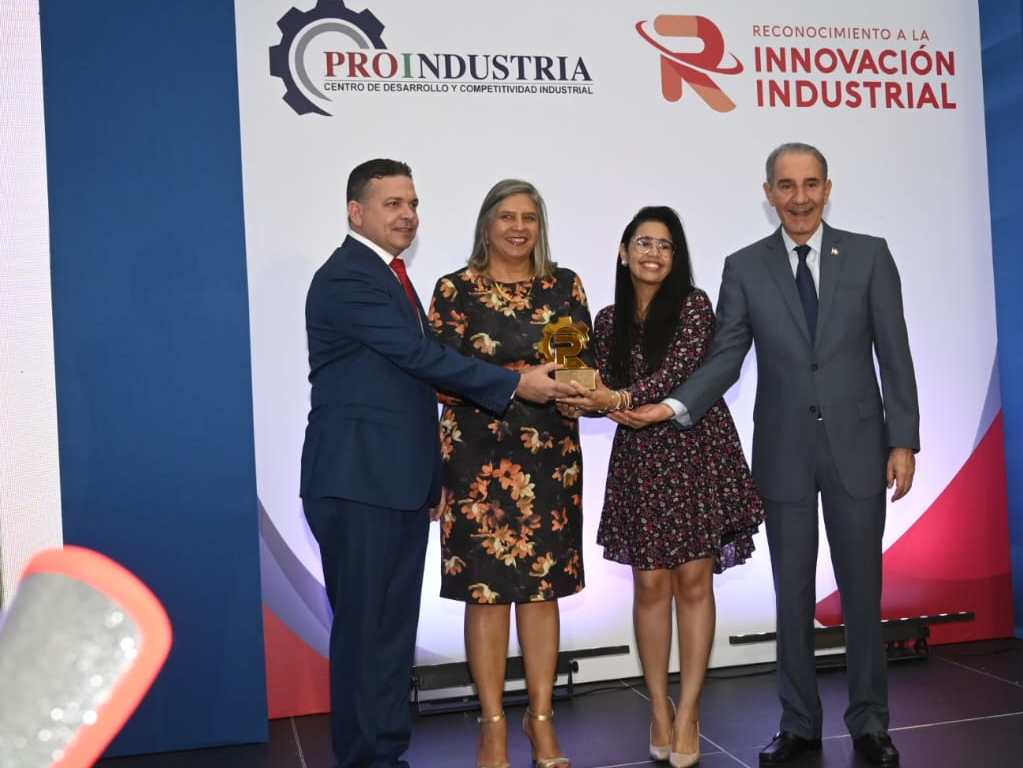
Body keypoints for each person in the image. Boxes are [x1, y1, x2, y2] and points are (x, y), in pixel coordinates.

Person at [620, 144, 920, 767]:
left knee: (863, 590)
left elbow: (895, 351)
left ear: (828, 188)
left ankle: (870, 723)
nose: (799, 198)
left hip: (860, 449)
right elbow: (726, 356)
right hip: (783, 451)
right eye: (786, 186)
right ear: (769, 193)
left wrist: (903, 440)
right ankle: (799, 724)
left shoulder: (870, 254)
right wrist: (673, 406)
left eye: (810, 184)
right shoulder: (745, 266)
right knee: (792, 592)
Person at [300, 159, 572, 768]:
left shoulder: (390, 276)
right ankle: (364, 758)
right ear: (356, 212)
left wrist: (429, 476)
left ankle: (386, 754)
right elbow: (420, 358)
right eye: (392, 203)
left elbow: (408, 385)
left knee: (391, 634)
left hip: (395, 482)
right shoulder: (348, 278)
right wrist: (515, 383)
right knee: (365, 633)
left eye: (413, 203)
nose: (407, 215)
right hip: (357, 481)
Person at [559, 206, 764, 768]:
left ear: (676, 257)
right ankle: (658, 707)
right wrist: (572, 384)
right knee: (650, 585)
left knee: (694, 581)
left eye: (665, 245)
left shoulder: (694, 306)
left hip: (694, 446)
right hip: (640, 459)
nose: (653, 253)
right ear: (624, 252)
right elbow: (591, 385)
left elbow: (676, 374)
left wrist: (620, 399)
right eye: (643, 243)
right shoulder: (605, 320)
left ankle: (690, 709)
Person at [426, 179, 589, 768]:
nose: (519, 227)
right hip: (476, 464)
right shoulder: (455, 290)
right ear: (486, 224)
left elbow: (576, 368)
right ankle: (492, 723)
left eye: (529, 217)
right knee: (486, 595)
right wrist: (517, 381)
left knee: (543, 592)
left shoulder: (563, 286)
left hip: (549, 459)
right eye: (507, 217)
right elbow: (437, 376)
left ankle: (540, 720)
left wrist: (577, 391)